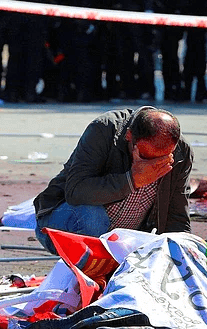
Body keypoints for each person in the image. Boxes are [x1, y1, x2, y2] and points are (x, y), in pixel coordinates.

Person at [34, 106, 193, 255]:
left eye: (164, 159)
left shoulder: (182, 152)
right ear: (129, 136)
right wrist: (132, 180)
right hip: (63, 224)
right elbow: (76, 191)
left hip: (120, 242)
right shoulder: (105, 129)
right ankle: (90, 269)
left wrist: (183, 252)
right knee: (93, 217)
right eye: (146, 157)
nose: (154, 165)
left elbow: (177, 215)